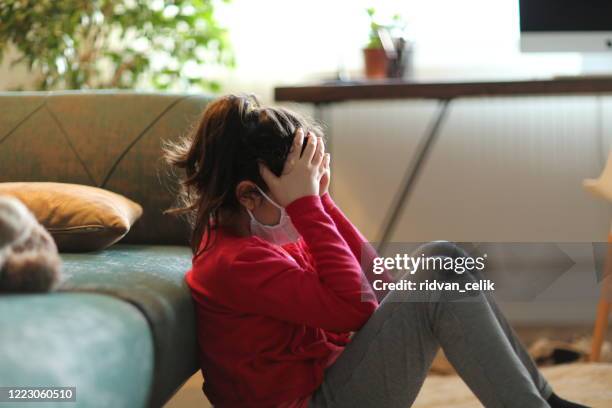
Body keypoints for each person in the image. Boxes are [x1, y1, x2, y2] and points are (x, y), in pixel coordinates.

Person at [164, 94, 588, 408]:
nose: (301, 210)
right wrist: (307, 207)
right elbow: (358, 309)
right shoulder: (235, 264)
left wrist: (322, 201)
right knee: (440, 268)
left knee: (444, 258)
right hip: (313, 403)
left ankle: (545, 398)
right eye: (294, 197)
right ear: (250, 196)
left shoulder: (266, 237)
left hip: (328, 384)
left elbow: (380, 284)